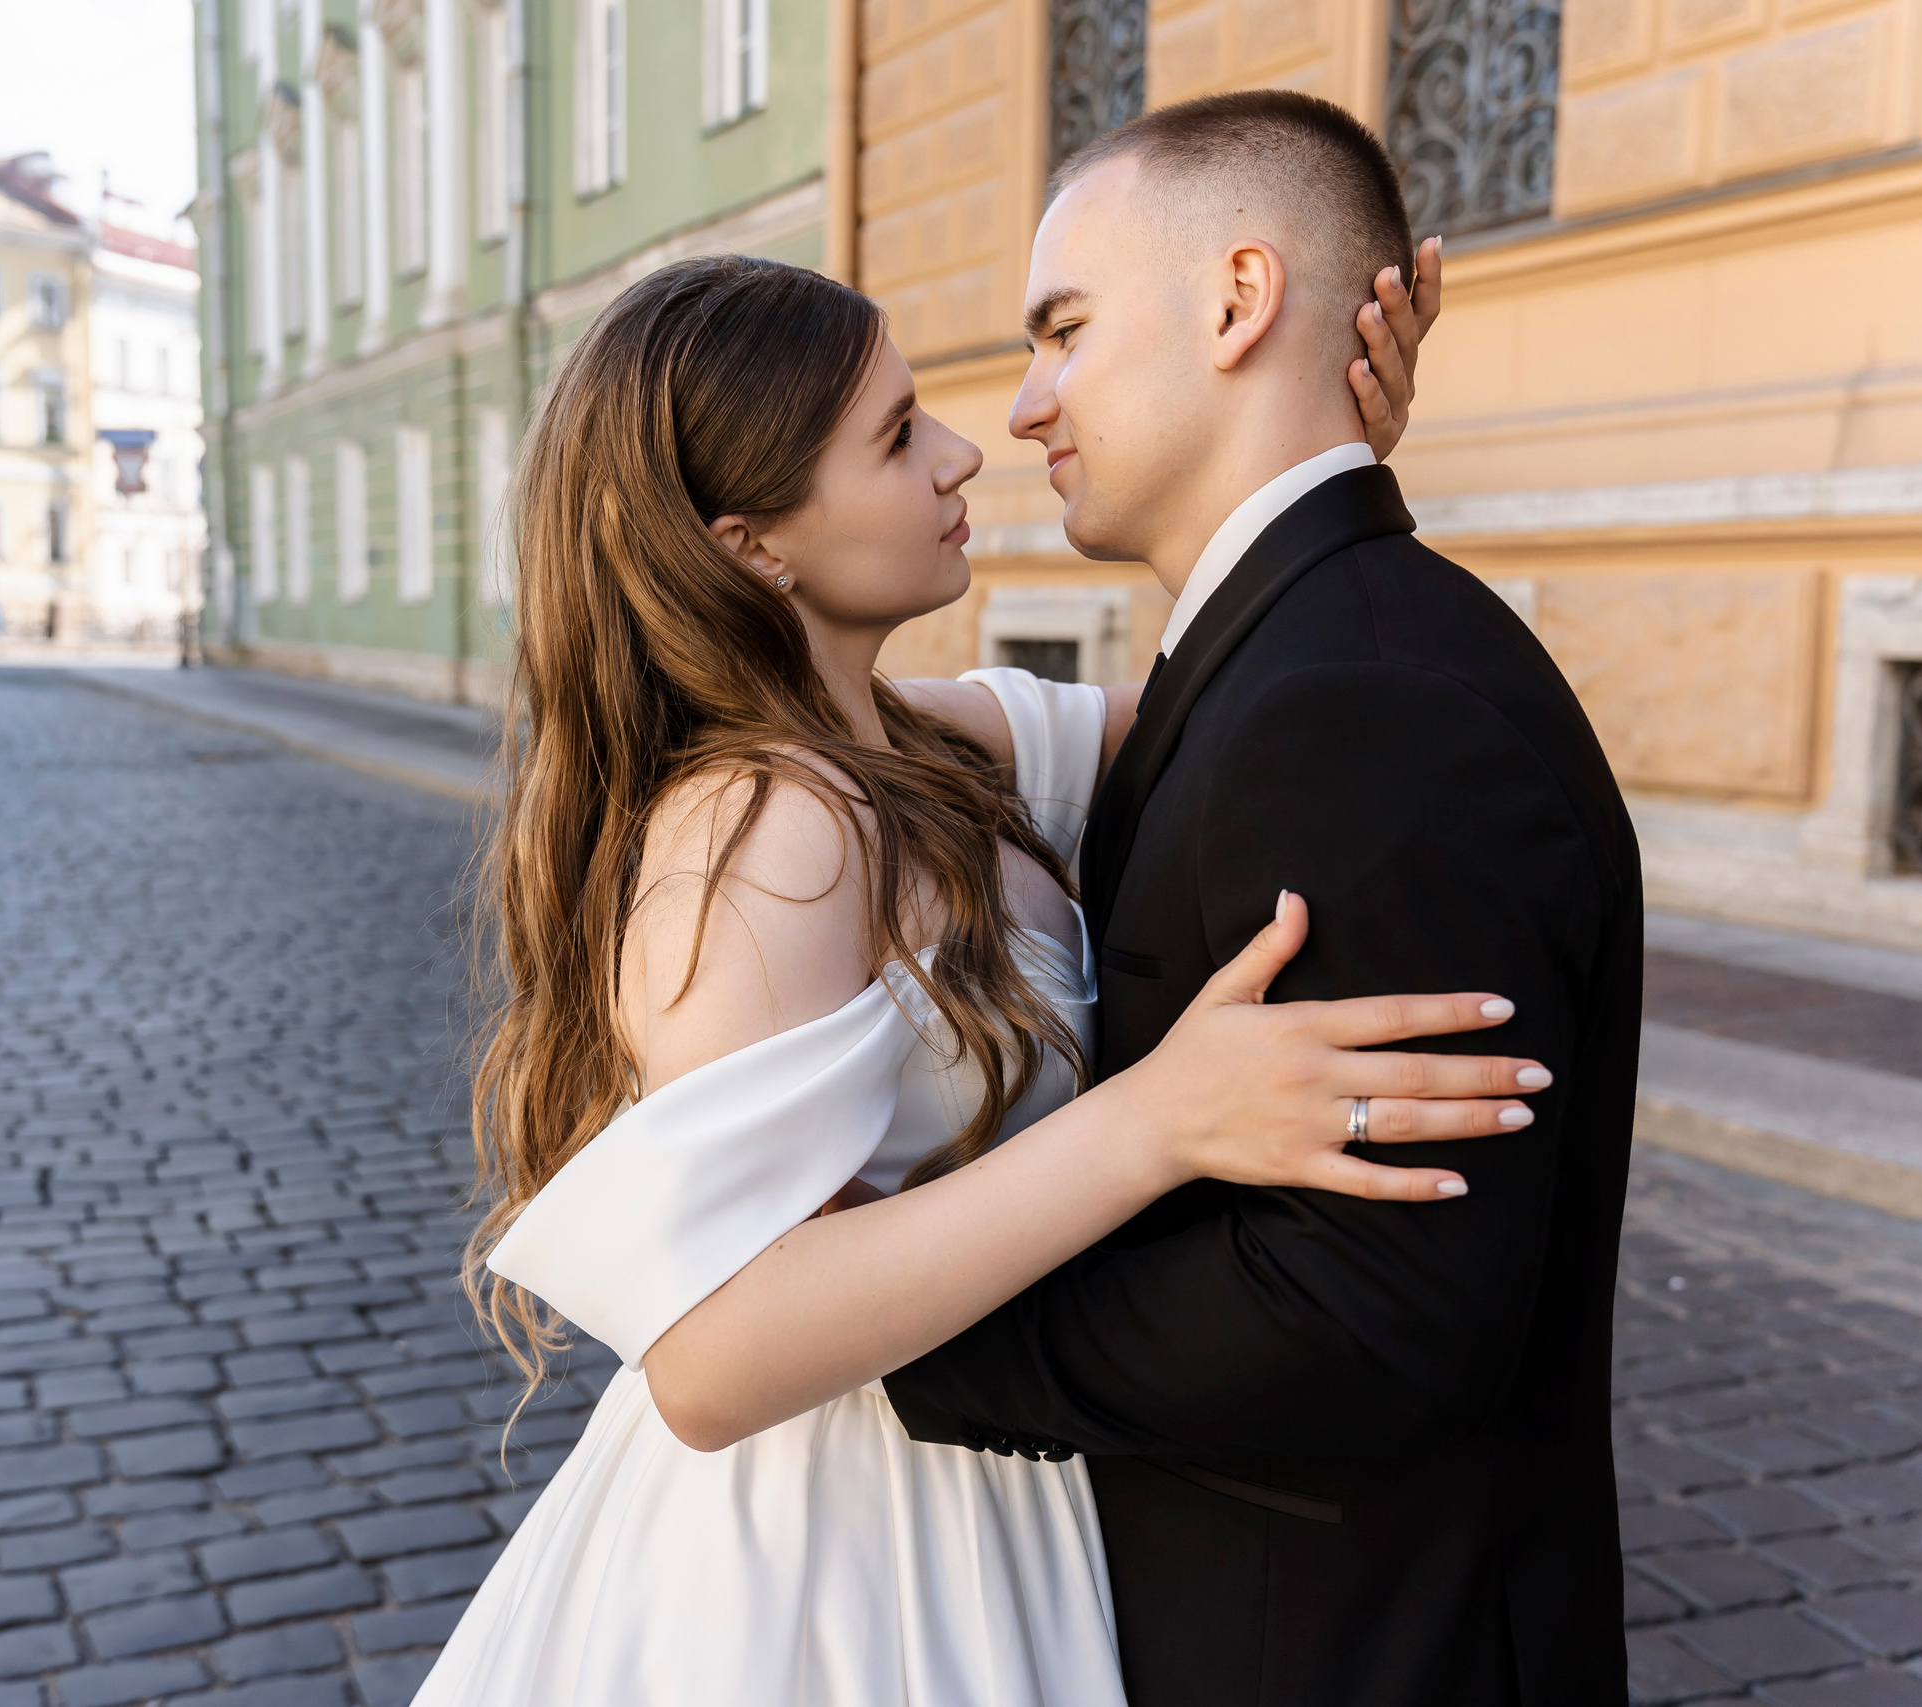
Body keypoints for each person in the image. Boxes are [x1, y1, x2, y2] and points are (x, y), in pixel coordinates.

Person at [416, 217, 1536, 1698]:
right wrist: (1156, 1119)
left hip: (1006, 1490)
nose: (962, 451)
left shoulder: (920, 738)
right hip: (836, 1572)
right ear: (751, 541)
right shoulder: (761, 826)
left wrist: (1316, 454)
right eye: (894, 437)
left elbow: (1237, 693)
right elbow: (713, 1355)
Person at [880, 93, 1641, 1707]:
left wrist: (914, 1327)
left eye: (1063, 330)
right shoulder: (1305, 649)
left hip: (1339, 1644)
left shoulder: (1357, 697)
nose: (1024, 404)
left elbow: (1369, 1307)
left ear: (1238, 300)